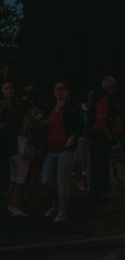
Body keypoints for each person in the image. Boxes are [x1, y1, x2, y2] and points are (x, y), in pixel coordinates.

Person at [41, 80, 84, 223]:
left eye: (62, 88)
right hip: (50, 149)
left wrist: (72, 136)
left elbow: (79, 126)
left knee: (62, 181)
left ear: (67, 91)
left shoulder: (72, 108)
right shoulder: (50, 108)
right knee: (46, 181)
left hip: (65, 149)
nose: (59, 91)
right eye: (56, 88)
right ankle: (55, 204)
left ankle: (62, 212)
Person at [88, 76, 122, 202]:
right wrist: (109, 137)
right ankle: (96, 195)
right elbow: (101, 120)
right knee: (99, 167)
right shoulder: (104, 99)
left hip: (98, 138)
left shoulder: (100, 98)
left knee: (99, 167)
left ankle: (96, 193)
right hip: (100, 139)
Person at [8, 95, 43, 217]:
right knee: (20, 181)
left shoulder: (14, 122)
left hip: (12, 153)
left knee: (13, 180)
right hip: (22, 154)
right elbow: (34, 141)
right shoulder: (27, 124)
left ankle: (10, 204)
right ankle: (16, 207)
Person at [0, 78, 20, 203]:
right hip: (2, 141)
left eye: (11, 88)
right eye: (6, 88)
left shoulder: (16, 105)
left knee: (11, 170)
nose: (9, 90)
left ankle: (9, 195)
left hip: (13, 142)